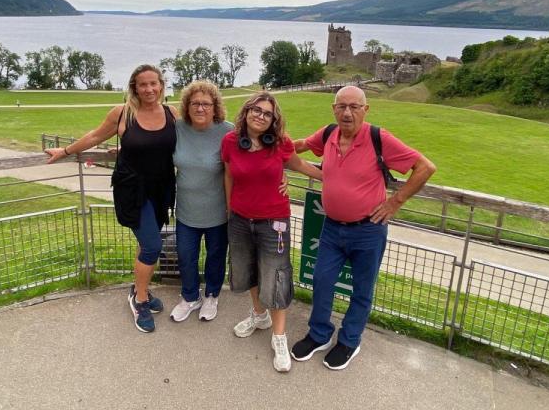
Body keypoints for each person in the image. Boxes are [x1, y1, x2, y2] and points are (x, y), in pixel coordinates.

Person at [290, 86, 436, 370]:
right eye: (341, 106)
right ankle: (319, 334)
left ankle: (349, 340)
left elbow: (425, 167)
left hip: (368, 230)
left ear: (365, 110)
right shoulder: (328, 133)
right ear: (333, 108)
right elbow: (299, 146)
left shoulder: (378, 138)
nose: (347, 112)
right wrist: (271, 145)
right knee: (321, 280)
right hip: (331, 228)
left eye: (354, 107)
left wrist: (395, 202)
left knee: (362, 289)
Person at [45, 64, 177, 333]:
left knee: (146, 241)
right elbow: (95, 136)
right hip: (132, 189)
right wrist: (66, 151)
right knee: (152, 245)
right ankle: (139, 299)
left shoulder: (171, 113)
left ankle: (141, 287)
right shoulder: (123, 114)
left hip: (161, 188)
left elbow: (194, 136)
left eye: (154, 83)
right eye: (143, 84)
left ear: (161, 86)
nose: (149, 89)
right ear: (134, 88)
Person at [222, 91, 322, 373]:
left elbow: (300, 165)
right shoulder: (231, 141)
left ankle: (279, 336)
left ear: (273, 120)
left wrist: (331, 176)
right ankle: (259, 315)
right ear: (247, 111)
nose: (260, 116)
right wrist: (230, 209)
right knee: (248, 270)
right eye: (256, 110)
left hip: (273, 221)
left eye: (267, 113)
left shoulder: (280, 144)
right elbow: (228, 174)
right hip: (241, 219)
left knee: (276, 275)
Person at [169, 81, 233, 323]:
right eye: (195, 103)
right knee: (186, 255)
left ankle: (211, 295)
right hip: (186, 210)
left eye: (206, 104)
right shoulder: (178, 128)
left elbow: (246, 162)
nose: (200, 108)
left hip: (218, 212)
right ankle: (189, 297)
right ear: (187, 106)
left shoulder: (228, 131)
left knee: (215, 256)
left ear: (215, 107)